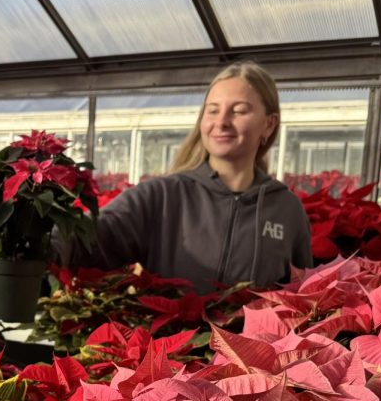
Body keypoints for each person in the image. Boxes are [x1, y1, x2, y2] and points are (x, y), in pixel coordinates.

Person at [56, 62, 312, 293]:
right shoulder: (163, 196)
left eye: (239, 111)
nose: (221, 121)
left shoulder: (286, 209)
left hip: (254, 346)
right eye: (212, 111)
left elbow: (303, 297)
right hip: (174, 344)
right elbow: (88, 239)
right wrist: (35, 236)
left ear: (269, 124)